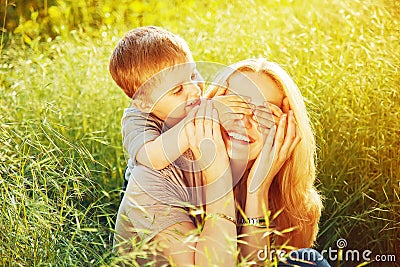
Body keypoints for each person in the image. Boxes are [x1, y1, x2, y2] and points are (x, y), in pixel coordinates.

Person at [114, 58, 328, 266]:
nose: (243, 120)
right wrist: (218, 176)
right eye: (234, 105)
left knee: (307, 260)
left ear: (285, 129)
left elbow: (252, 265)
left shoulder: (282, 191)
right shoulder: (153, 177)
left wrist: (257, 190)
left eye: (263, 113)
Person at [108, 26, 252, 192]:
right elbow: (154, 158)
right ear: (145, 104)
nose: (195, 89)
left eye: (192, 75)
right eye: (177, 90)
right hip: (153, 198)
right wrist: (203, 117)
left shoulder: (196, 101)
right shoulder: (137, 120)